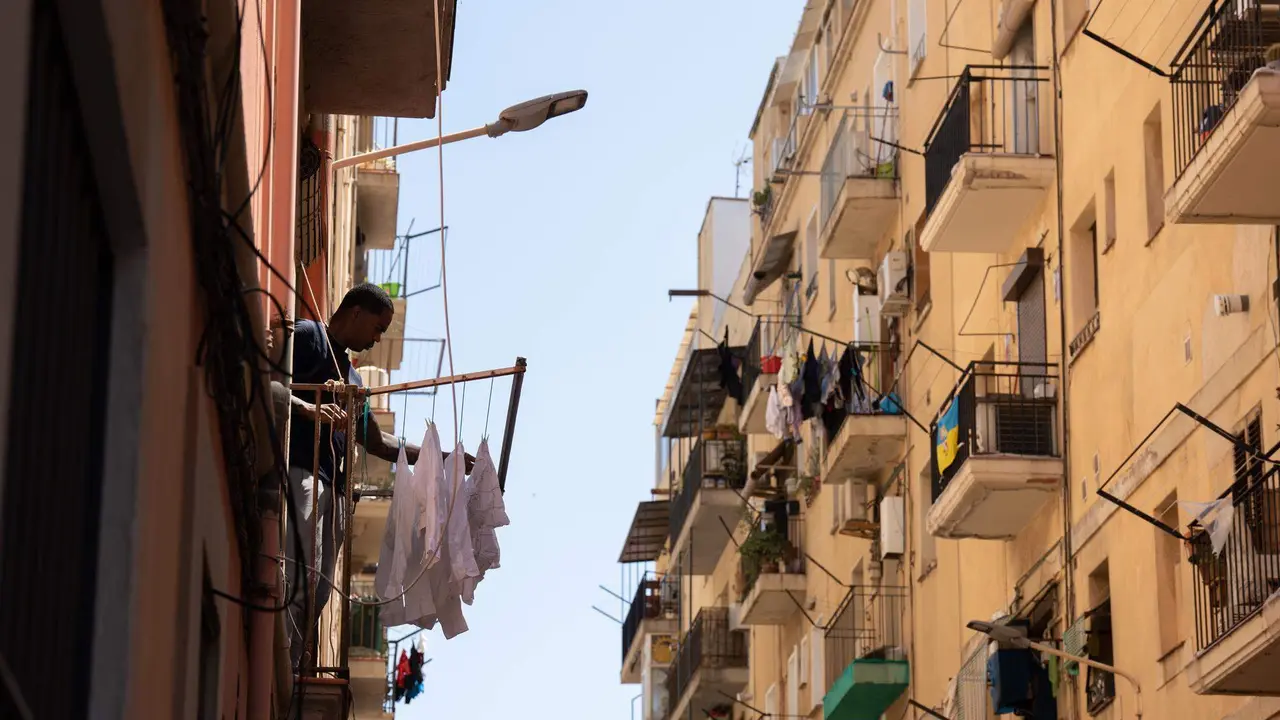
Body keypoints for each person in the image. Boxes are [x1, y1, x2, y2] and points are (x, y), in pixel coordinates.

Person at [274, 282, 470, 669]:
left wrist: (445, 458)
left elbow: (378, 443)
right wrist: (310, 409)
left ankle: (290, 663)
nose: (378, 339)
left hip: (335, 488)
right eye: (378, 328)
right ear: (356, 312)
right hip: (302, 472)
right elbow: (275, 387)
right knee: (300, 571)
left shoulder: (354, 380)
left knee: (319, 587)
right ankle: (278, 661)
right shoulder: (309, 336)